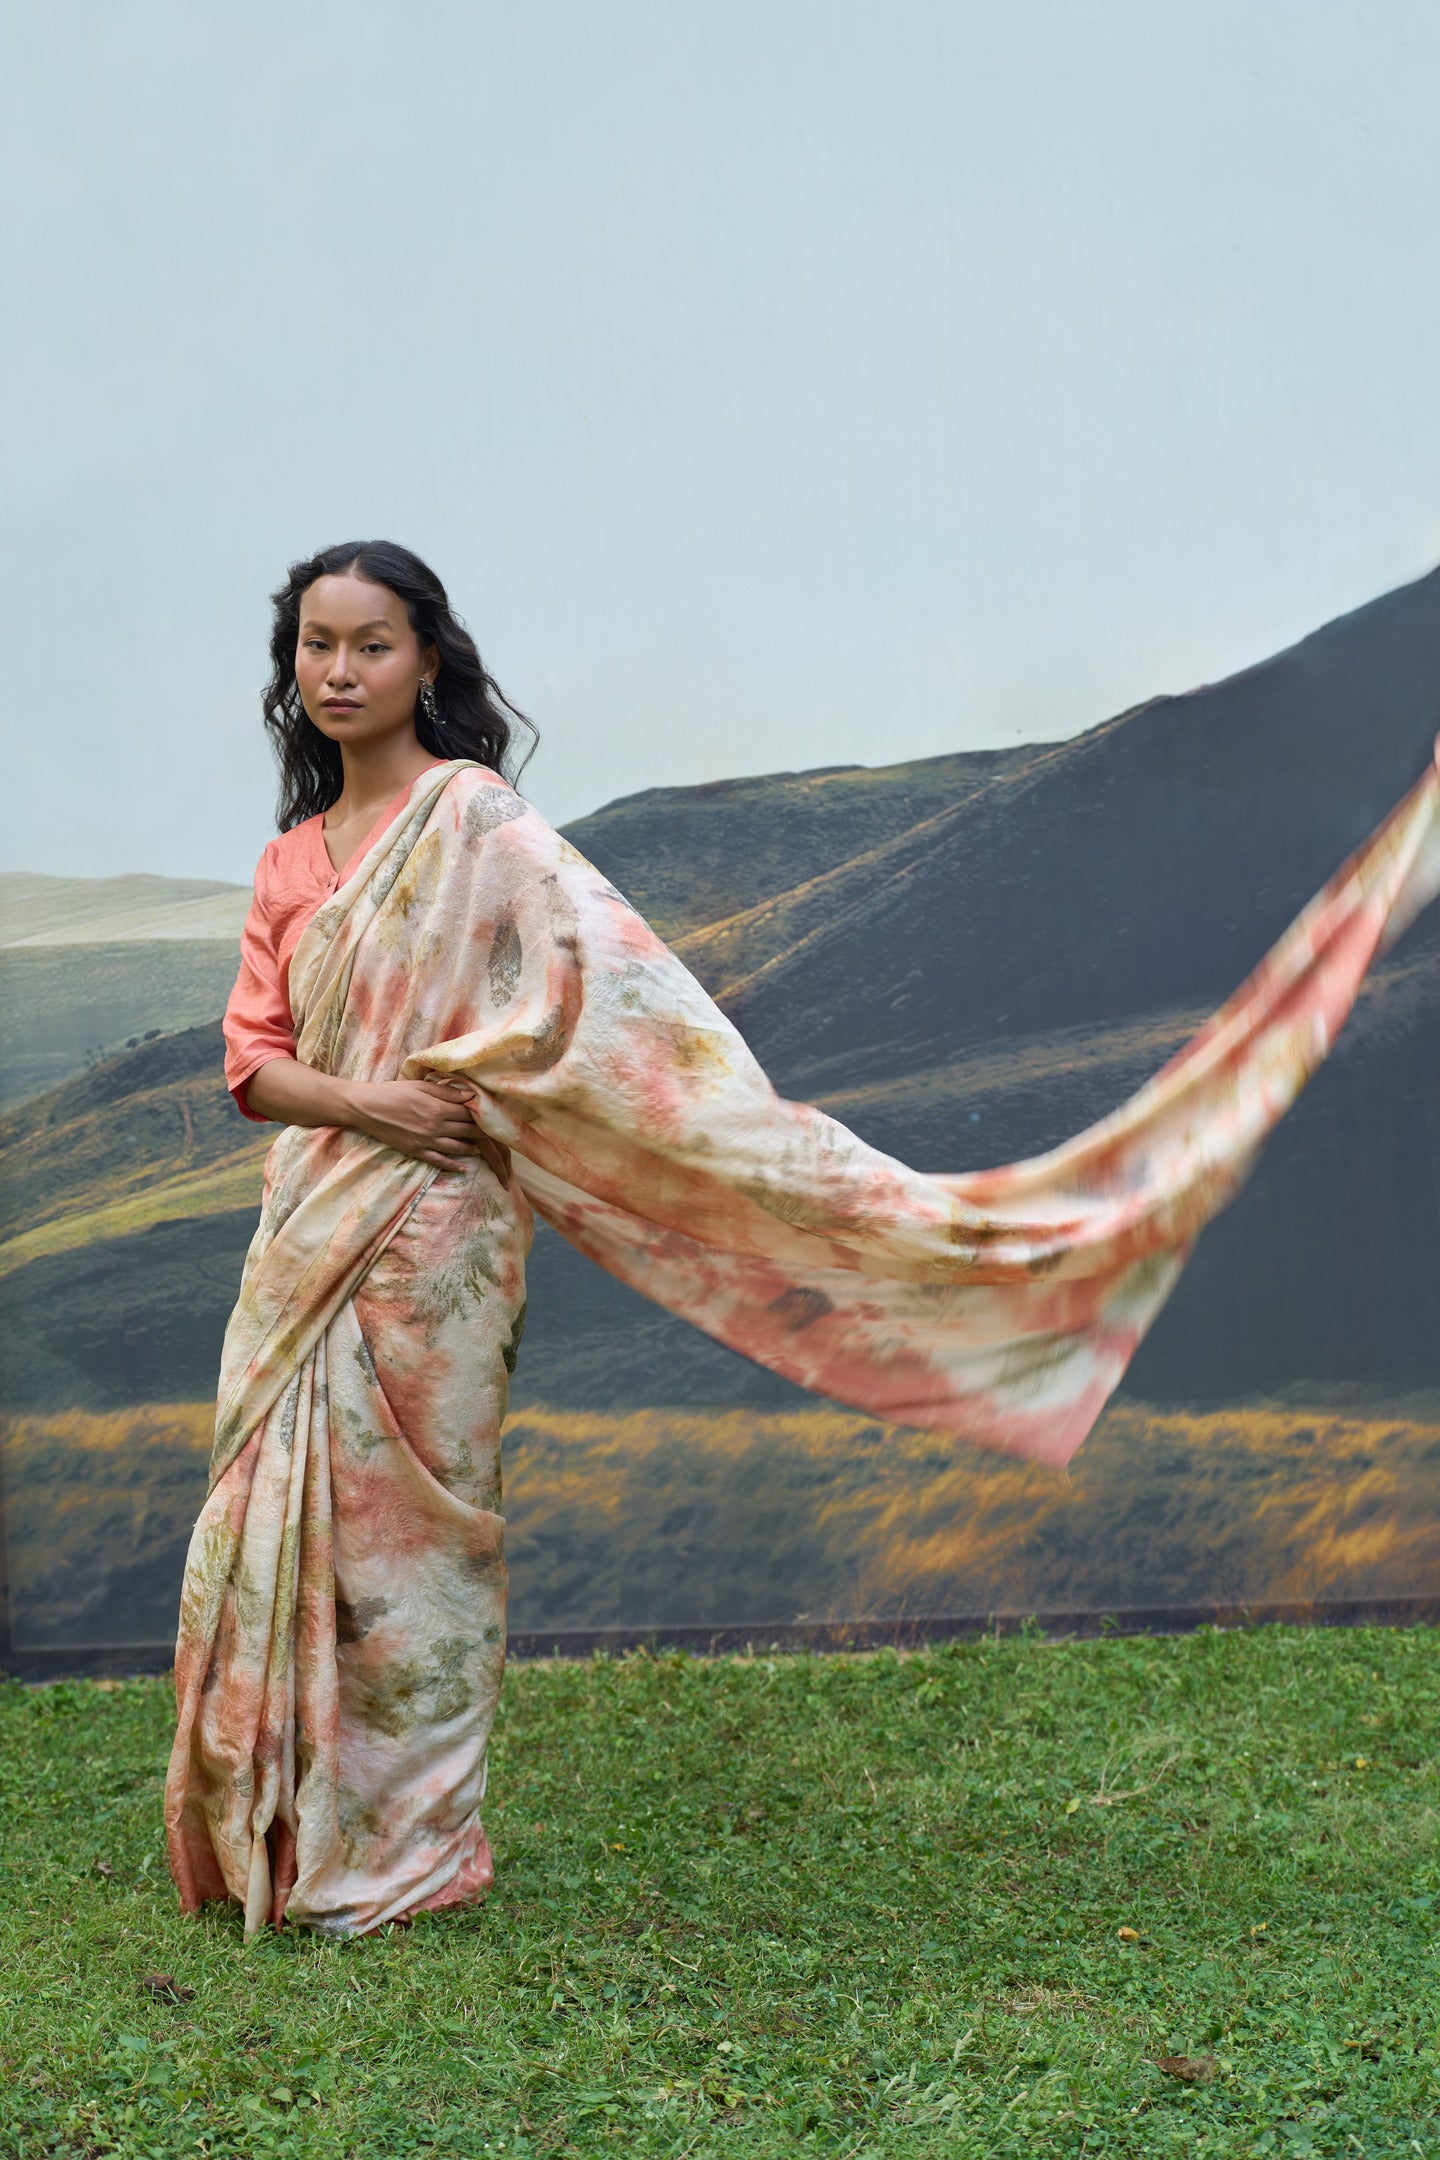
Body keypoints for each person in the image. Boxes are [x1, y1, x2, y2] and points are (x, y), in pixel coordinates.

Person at [165, 539, 1440, 1939]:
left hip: (436, 1243)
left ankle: (408, 1850)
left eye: (372, 644)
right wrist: (373, 1105)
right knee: (261, 1523)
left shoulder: (479, 826)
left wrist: (636, 1120)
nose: (340, 672)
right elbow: (252, 1065)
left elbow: (617, 997)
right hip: (312, 1222)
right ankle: (277, 1830)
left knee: (420, 1545)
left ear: (427, 662)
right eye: (316, 646)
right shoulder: (292, 862)